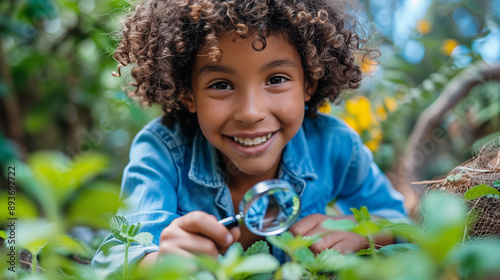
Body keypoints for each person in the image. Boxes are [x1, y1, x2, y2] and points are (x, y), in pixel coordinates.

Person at [92, 0, 407, 276]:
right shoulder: (162, 150)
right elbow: (116, 257)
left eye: (276, 79)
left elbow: (399, 223)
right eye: (221, 85)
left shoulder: (333, 144)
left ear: (309, 83)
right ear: (188, 94)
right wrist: (158, 263)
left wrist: (360, 233)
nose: (251, 112)